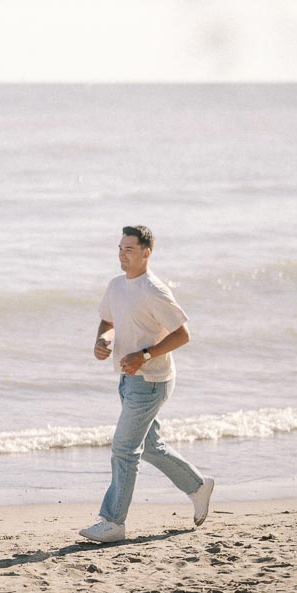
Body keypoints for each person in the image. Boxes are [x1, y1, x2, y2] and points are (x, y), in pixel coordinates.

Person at [79, 226, 214, 544]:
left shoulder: (154, 290)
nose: (122, 254)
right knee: (150, 447)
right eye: (120, 248)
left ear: (146, 253)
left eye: (129, 249)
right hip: (128, 379)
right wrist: (103, 339)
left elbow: (183, 335)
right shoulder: (116, 286)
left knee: (124, 449)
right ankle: (198, 486)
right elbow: (109, 321)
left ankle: (113, 522)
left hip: (152, 381)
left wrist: (144, 355)